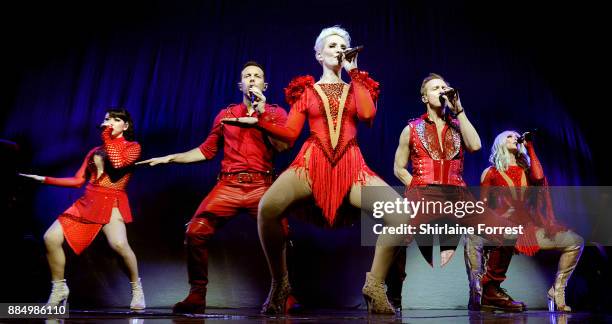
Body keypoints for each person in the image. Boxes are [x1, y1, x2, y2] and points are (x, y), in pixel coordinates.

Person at [229, 26, 408, 315]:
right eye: (332, 46)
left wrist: (354, 72)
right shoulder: (306, 90)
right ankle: (280, 283)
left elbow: (367, 114)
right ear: (318, 54)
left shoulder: (358, 86)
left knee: (400, 214)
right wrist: (260, 119)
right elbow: (289, 134)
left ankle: (374, 285)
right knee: (267, 208)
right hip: (311, 162)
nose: (338, 50)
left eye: (342, 46)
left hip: (351, 164)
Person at [137, 61, 295, 314]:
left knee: (281, 234)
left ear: (265, 85)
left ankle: (283, 293)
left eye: (257, 76)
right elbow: (206, 151)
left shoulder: (276, 113)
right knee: (195, 232)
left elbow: (283, 147)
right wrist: (170, 157)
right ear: (240, 84)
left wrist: (262, 113)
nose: (252, 79)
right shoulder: (225, 115)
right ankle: (197, 295)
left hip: (261, 185)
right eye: (247, 76)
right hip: (229, 184)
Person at [393, 73, 523, 312]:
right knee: (395, 236)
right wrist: (418, 188)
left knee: (509, 231)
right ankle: (393, 297)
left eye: (445, 87)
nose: (442, 90)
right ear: (424, 97)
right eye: (435, 88)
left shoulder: (457, 126)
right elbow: (398, 168)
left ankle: (491, 290)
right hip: (424, 194)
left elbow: (475, 146)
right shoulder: (411, 129)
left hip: (457, 196)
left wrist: (459, 110)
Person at [20, 108, 145, 310]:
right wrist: (44, 179)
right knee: (50, 237)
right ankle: (59, 288)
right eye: (107, 119)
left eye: (115, 119)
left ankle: (136, 288)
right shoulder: (94, 151)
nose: (109, 122)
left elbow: (118, 162)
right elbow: (78, 180)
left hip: (112, 200)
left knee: (119, 245)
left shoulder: (133, 147)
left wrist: (107, 137)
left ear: (126, 125)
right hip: (89, 200)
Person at [471, 130, 584, 312]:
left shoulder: (528, 171)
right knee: (484, 235)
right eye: (509, 136)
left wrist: (530, 147)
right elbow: (483, 208)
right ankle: (483, 294)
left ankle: (557, 290)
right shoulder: (491, 173)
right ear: (499, 142)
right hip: (503, 228)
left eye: (516, 136)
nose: (514, 138)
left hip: (528, 230)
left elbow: (539, 178)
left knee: (576, 241)